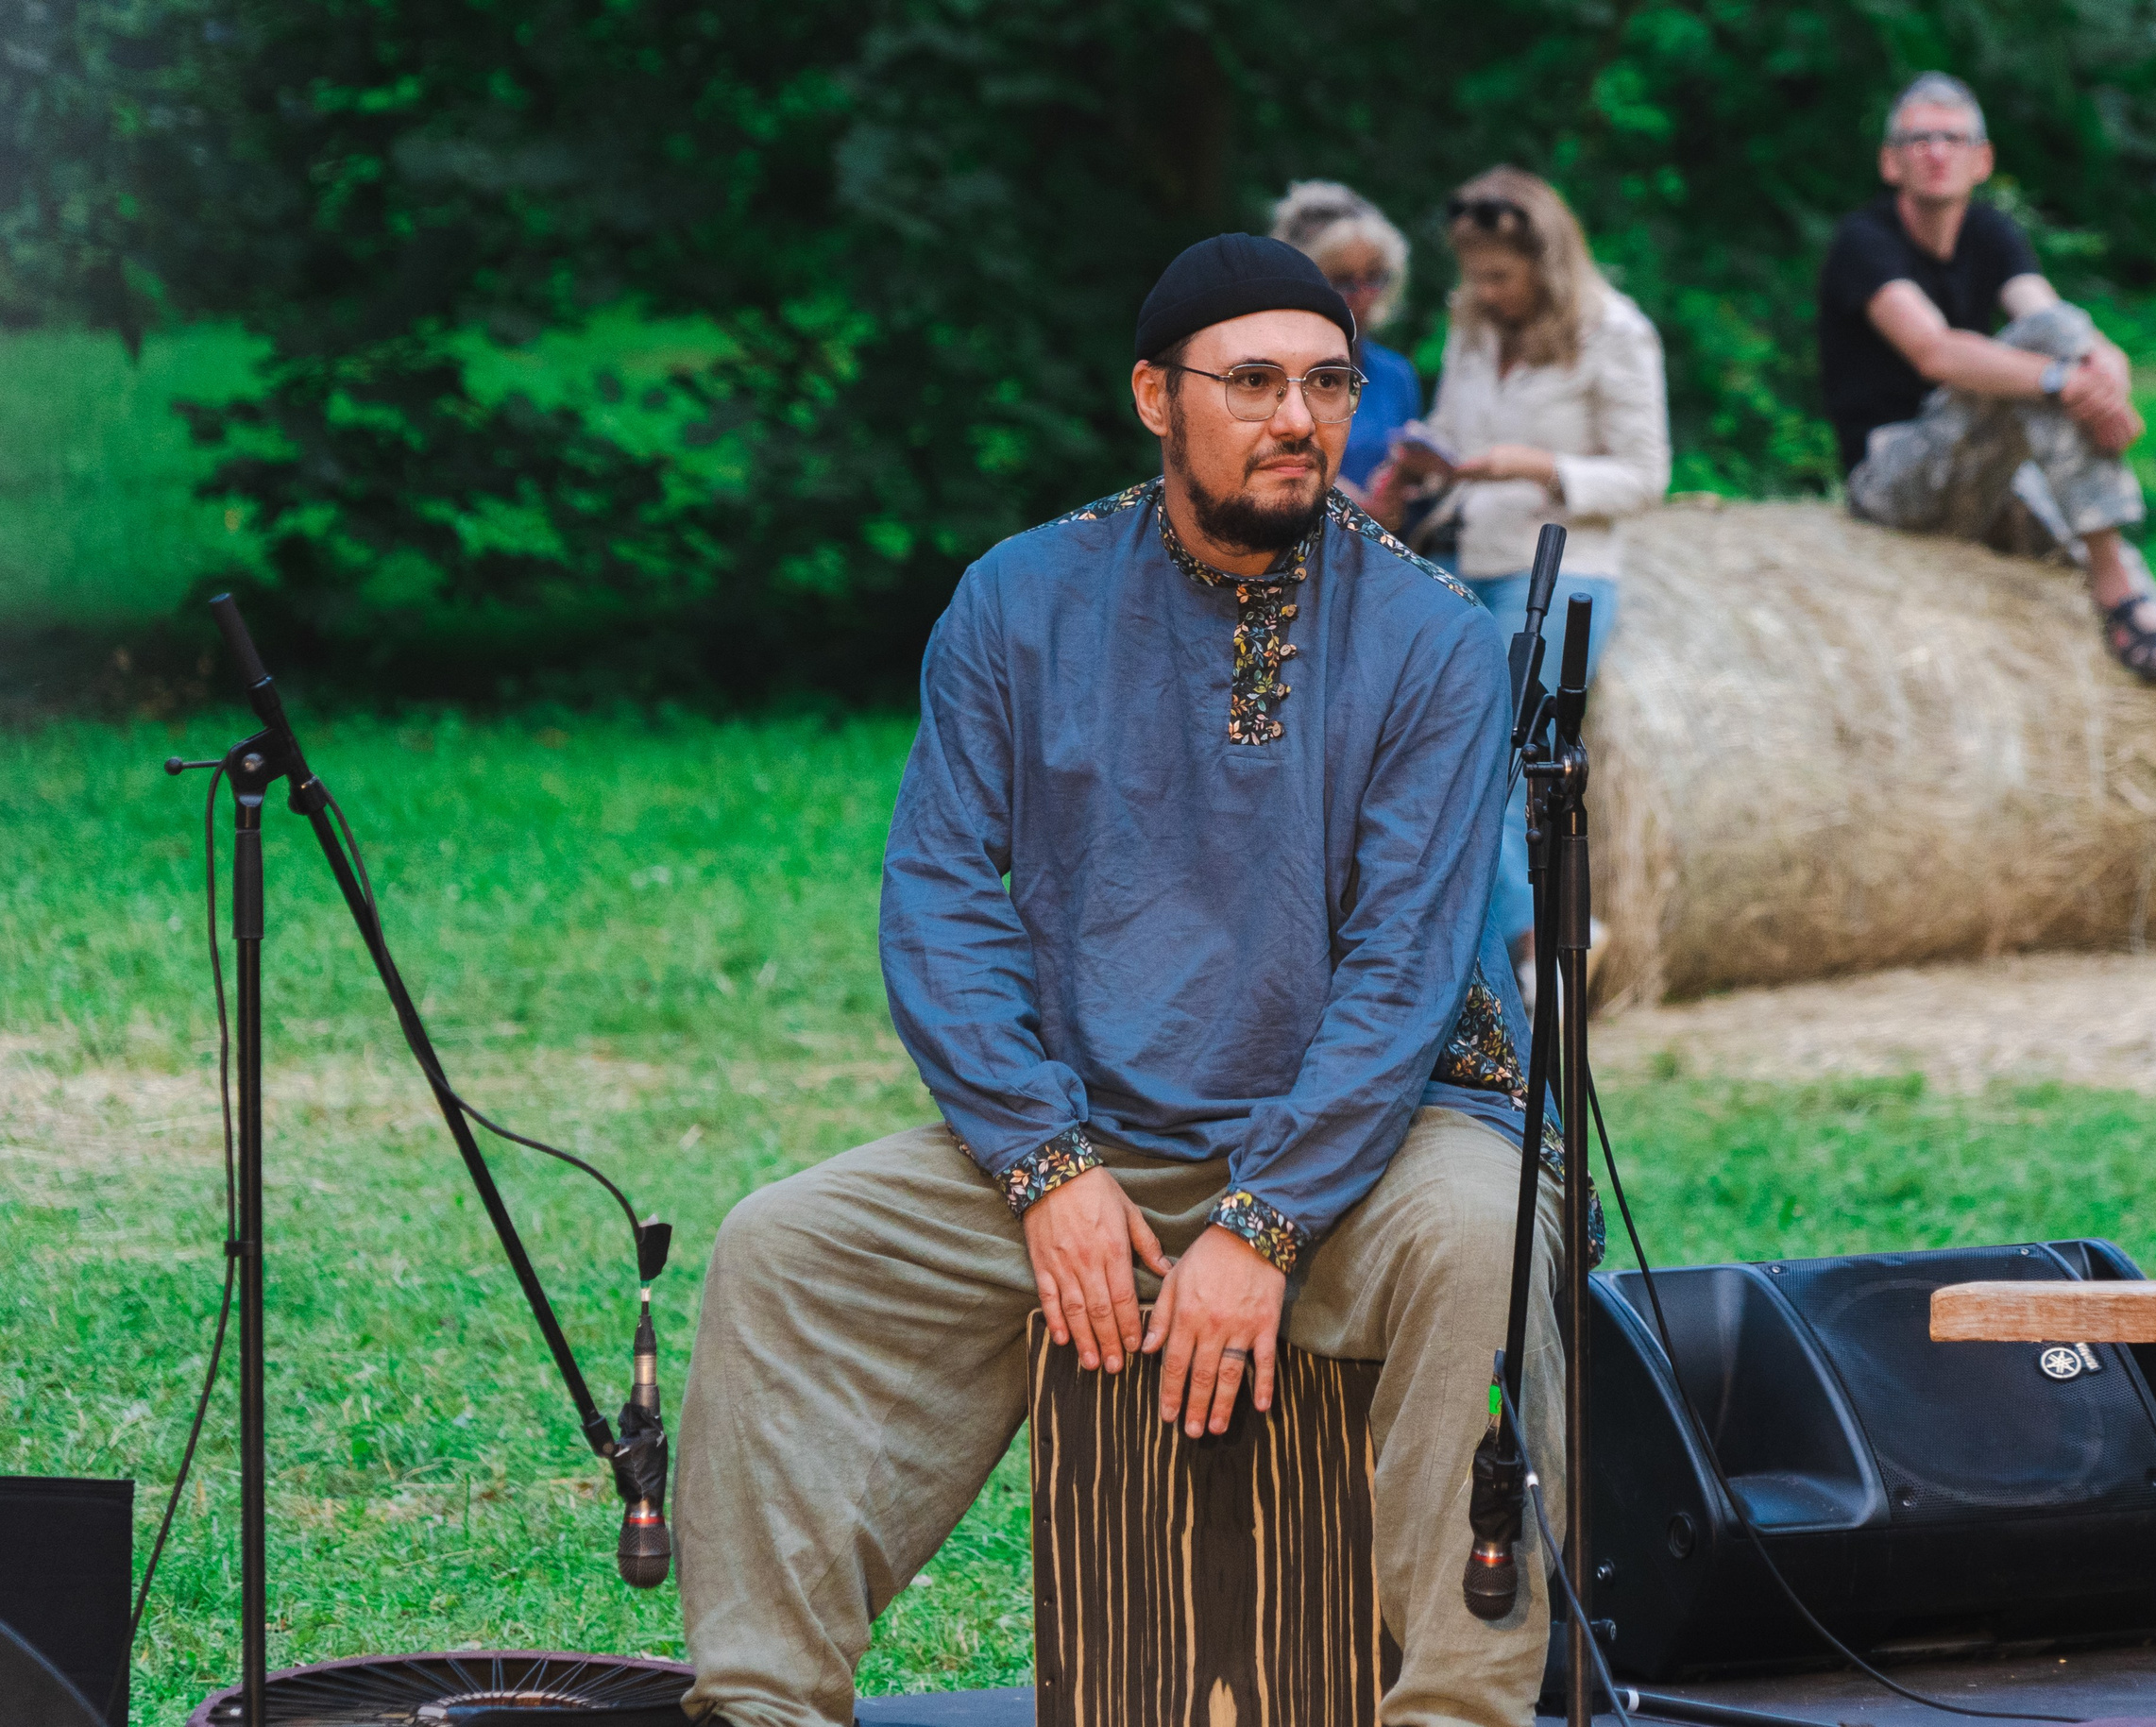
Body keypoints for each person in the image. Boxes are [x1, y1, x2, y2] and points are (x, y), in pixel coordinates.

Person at [672, 233, 1592, 1727]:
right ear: (1156, 396)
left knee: (1484, 1245)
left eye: (1326, 383)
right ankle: (765, 1704)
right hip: (1087, 1135)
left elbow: (1403, 973)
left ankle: (1460, 1713)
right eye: (1253, 383)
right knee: (783, 1252)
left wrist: (1268, 1218)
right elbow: (941, 908)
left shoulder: (1430, 635)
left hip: (1378, 1144)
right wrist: (1043, 1167)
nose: (1297, 418)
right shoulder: (1018, 602)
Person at [1370, 165, 1669, 993]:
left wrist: (1537, 467)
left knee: (1492, 755)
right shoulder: (1472, 327)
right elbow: (1461, 439)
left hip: (1563, 568)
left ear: (1548, 262)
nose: (1486, 290)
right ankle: (1513, 955)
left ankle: (1540, 949)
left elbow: (1646, 475)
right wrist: (1431, 458)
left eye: (1500, 275)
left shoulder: (1617, 333)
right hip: (1470, 559)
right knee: (1430, 748)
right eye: (1475, 274)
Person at [1818, 72, 2156, 680]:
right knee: (2043, 367)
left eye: (1953, 139)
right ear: (1890, 163)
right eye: (1918, 140)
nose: (1936, 152)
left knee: (2060, 339)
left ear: (1982, 160)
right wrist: (2065, 380)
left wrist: (2107, 369)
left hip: (1985, 471)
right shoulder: (1864, 243)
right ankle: (2116, 593)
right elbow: (1936, 352)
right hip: (1892, 480)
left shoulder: (1992, 234)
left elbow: (2050, 318)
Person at [1270, 179, 1423, 497]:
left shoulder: (1395, 375)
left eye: (1374, 277)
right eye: (1342, 280)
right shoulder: (1261, 368)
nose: (1362, 296)